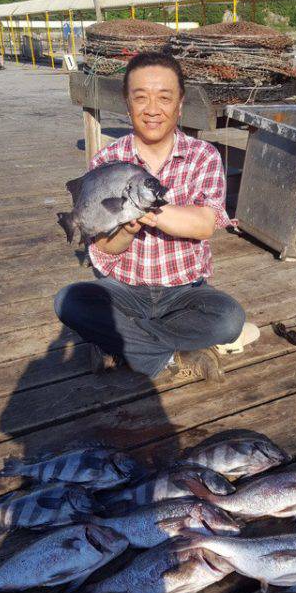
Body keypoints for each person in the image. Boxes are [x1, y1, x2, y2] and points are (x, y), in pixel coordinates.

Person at [54, 51, 258, 383]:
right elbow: (107, 249)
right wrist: (127, 230)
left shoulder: (202, 156)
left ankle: (122, 344)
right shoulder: (107, 160)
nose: (152, 109)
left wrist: (149, 211)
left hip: (184, 293)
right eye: (141, 98)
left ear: (180, 104)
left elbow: (205, 224)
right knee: (69, 301)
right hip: (123, 291)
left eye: (164, 98)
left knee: (229, 318)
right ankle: (173, 353)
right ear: (127, 103)